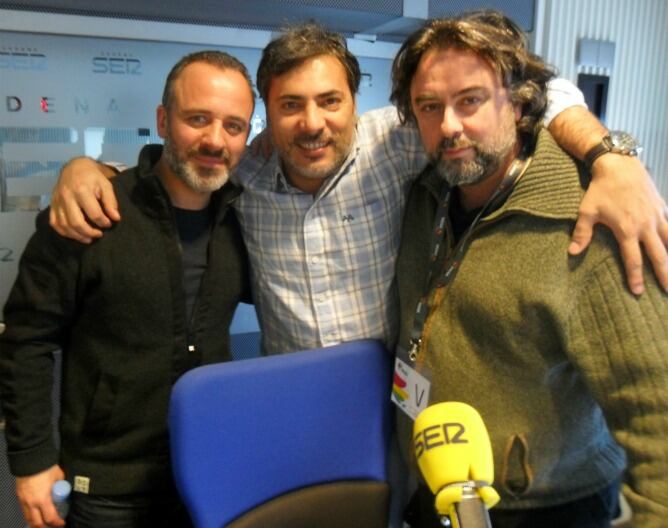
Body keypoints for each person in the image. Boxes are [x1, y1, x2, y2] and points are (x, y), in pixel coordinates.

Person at [50, 24, 668, 357]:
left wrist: (610, 158)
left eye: (329, 101)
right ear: (267, 112)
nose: (312, 123)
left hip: (392, 386)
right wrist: (86, 168)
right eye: (290, 105)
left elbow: (538, 91)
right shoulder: (248, 171)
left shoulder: (398, 139)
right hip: (288, 387)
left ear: (355, 102)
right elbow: (180, 164)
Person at [390, 11, 668, 527]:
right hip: (438, 485)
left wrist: (615, 156)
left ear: (518, 102)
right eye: (429, 107)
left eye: (470, 100)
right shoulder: (428, 196)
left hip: (548, 507)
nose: (449, 125)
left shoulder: (591, 220)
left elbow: (660, 409)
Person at [0, 50, 254, 528]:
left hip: (212, 472)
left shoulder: (244, 220)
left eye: (233, 125)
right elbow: (25, 341)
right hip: (108, 488)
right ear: (163, 120)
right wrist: (31, 460)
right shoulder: (87, 212)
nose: (214, 140)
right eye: (197, 119)